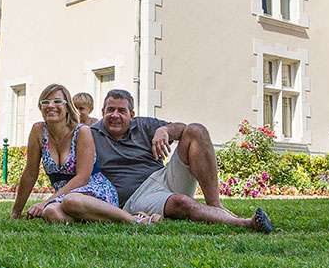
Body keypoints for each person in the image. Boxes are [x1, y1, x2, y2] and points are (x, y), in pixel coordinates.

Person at [89, 89, 272, 233]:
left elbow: (183, 129)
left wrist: (166, 130)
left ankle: (215, 205)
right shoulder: (91, 134)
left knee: (196, 130)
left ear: (132, 115)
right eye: (110, 110)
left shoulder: (144, 125)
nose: (115, 115)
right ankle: (245, 223)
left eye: (122, 111)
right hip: (136, 198)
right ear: (102, 111)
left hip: (163, 177)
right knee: (180, 203)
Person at [11, 84, 159, 225]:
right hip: (63, 196)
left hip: (93, 189)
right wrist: (16, 212)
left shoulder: (82, 131)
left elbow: (82, 177)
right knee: (51, 213)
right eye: (45, 102)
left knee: (71, 201)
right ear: (41, 107)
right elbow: (30, 173)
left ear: (68, 107)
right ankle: (103, 217)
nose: (51, 106)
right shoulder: (38, 131)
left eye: (57, 101)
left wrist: (46, 200)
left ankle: (134, 220)